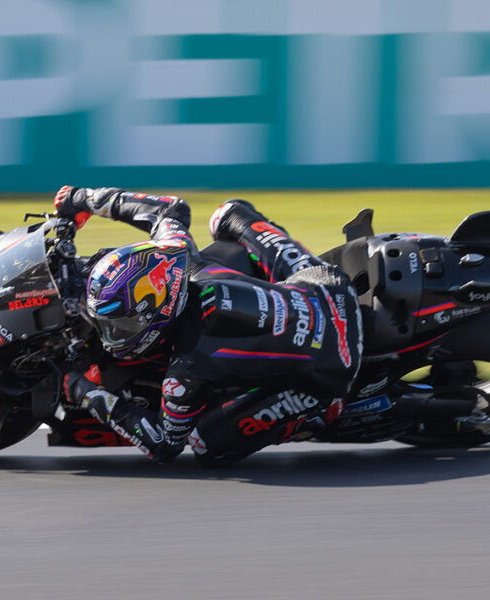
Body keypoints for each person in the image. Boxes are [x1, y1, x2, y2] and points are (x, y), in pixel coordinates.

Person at [56, 186, 363, 462]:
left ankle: (317, 411)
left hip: (334, 364)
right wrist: (82, 198)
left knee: (203, 442)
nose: (111, 335)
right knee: (227, 214)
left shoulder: (186, 370)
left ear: (158, 313)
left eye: (121, 325)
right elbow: (170, 209)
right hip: (328, 286)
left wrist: (84, 391)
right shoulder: (179, 255)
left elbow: (164, 444)